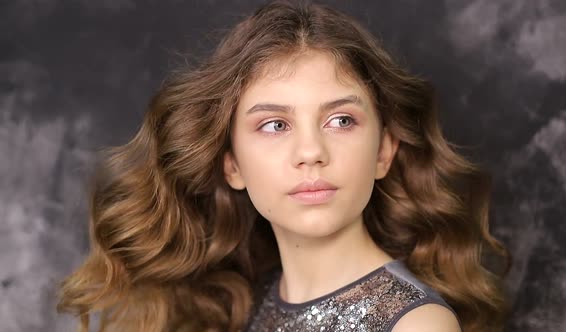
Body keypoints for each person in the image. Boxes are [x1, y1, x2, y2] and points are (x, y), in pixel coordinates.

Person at [57, 1, 511, 331]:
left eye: (340, 120)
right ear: (232, 165)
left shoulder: (417, 326)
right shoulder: (256, 301)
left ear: (383, 151)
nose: (310, 151)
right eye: (275, 124)